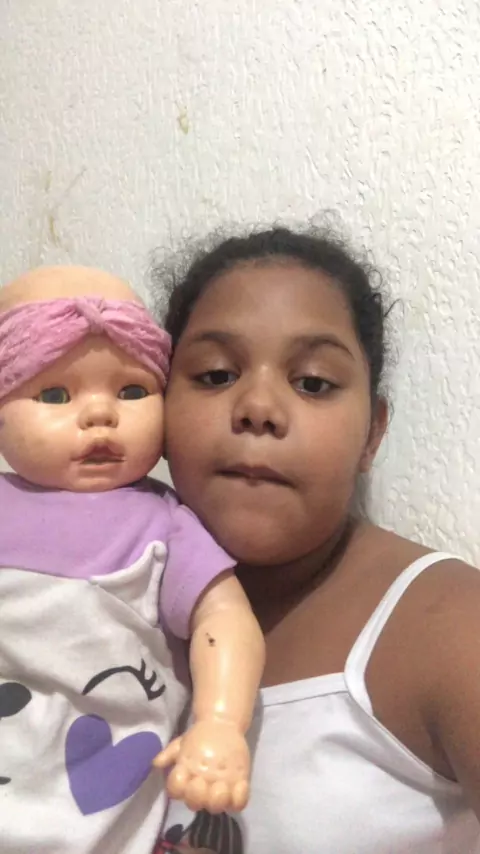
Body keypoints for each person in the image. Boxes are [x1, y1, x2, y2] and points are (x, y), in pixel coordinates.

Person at [155, 226, 480, 853]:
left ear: (372, 434)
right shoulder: (109, 598)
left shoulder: (447, 624)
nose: (258, 406)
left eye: (312, 383)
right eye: (216, 374)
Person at [0, 265, 264, 854]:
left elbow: (224, 619)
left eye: (132, 391)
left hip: (99, 828)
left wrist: (221, 721)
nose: (101, 415)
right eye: (54, 395)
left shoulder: (163, 525)